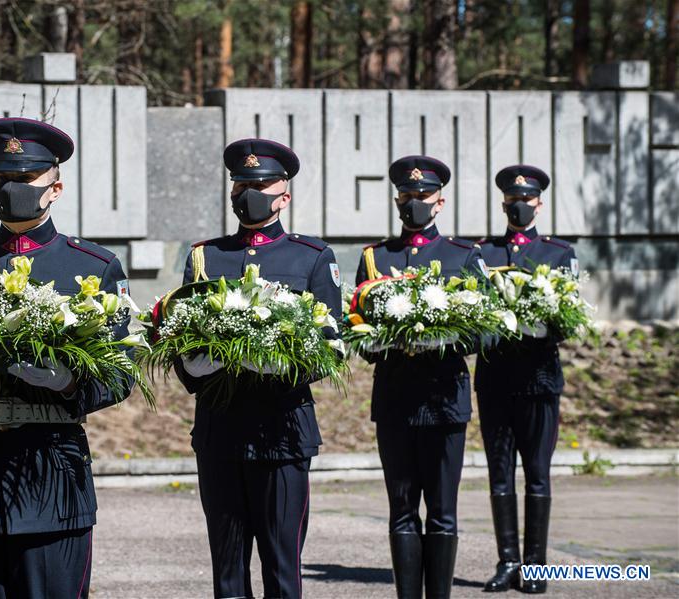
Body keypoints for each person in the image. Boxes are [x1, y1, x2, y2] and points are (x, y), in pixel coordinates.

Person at [0, 117, 134, 599]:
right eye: (1, 179)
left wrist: (69, 383)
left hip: (51, 468)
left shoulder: (91, 267)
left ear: (54, 188)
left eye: (24, 179)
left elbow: (119, 374)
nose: (11, 188)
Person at [173, 138, 342, 599]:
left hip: (282, 434)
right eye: (241, 184)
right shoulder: (206, 257)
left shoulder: (311, 257)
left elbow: (330, 346)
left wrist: (274, 362)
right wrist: (196, 362)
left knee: (282, 571)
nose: (249, 192)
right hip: (220, 432)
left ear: (284, 195)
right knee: (227, 576)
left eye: (261, 184)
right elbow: (181, 339)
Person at [355, 155, 484, 599]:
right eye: (406, 196)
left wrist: (443, 339)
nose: (414, 203)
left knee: (443, 511)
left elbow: (483, 330)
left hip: (445, 399)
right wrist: (377, 341)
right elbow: (357, 324)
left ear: (440, 202)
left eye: (422, 196)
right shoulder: (375, 258)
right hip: (395, 399)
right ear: (396, 200)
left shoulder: (464, 256)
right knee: (402, 509)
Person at [475, 165, 577, 594]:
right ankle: (507, 562)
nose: (519, 205)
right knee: (500, 474)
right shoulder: (482, 252)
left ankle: (535, 567)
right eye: (512, 200)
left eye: (527, 199)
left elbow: (568, 321)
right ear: (503, 204)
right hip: (496, 378)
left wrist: (541, 325)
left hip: (538, 379)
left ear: (539, 202)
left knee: (537, 472)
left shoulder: (558, 253)